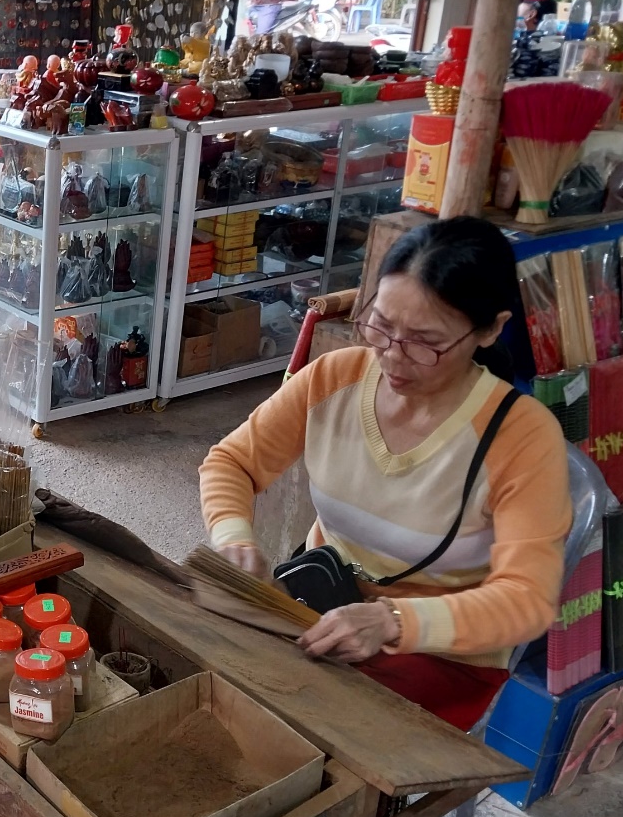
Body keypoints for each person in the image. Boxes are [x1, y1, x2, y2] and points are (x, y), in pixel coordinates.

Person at [199, 217, 571, 732]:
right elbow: (231, 462)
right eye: (382, 325)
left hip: (442, 652)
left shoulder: (522, 438)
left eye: (425, 342)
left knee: (305, 732)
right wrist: (234, 537)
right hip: (322, 593)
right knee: (201, 667)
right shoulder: (337, 377)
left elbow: (527, 601)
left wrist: (395, 621)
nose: (392, 356)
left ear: (488, 329)